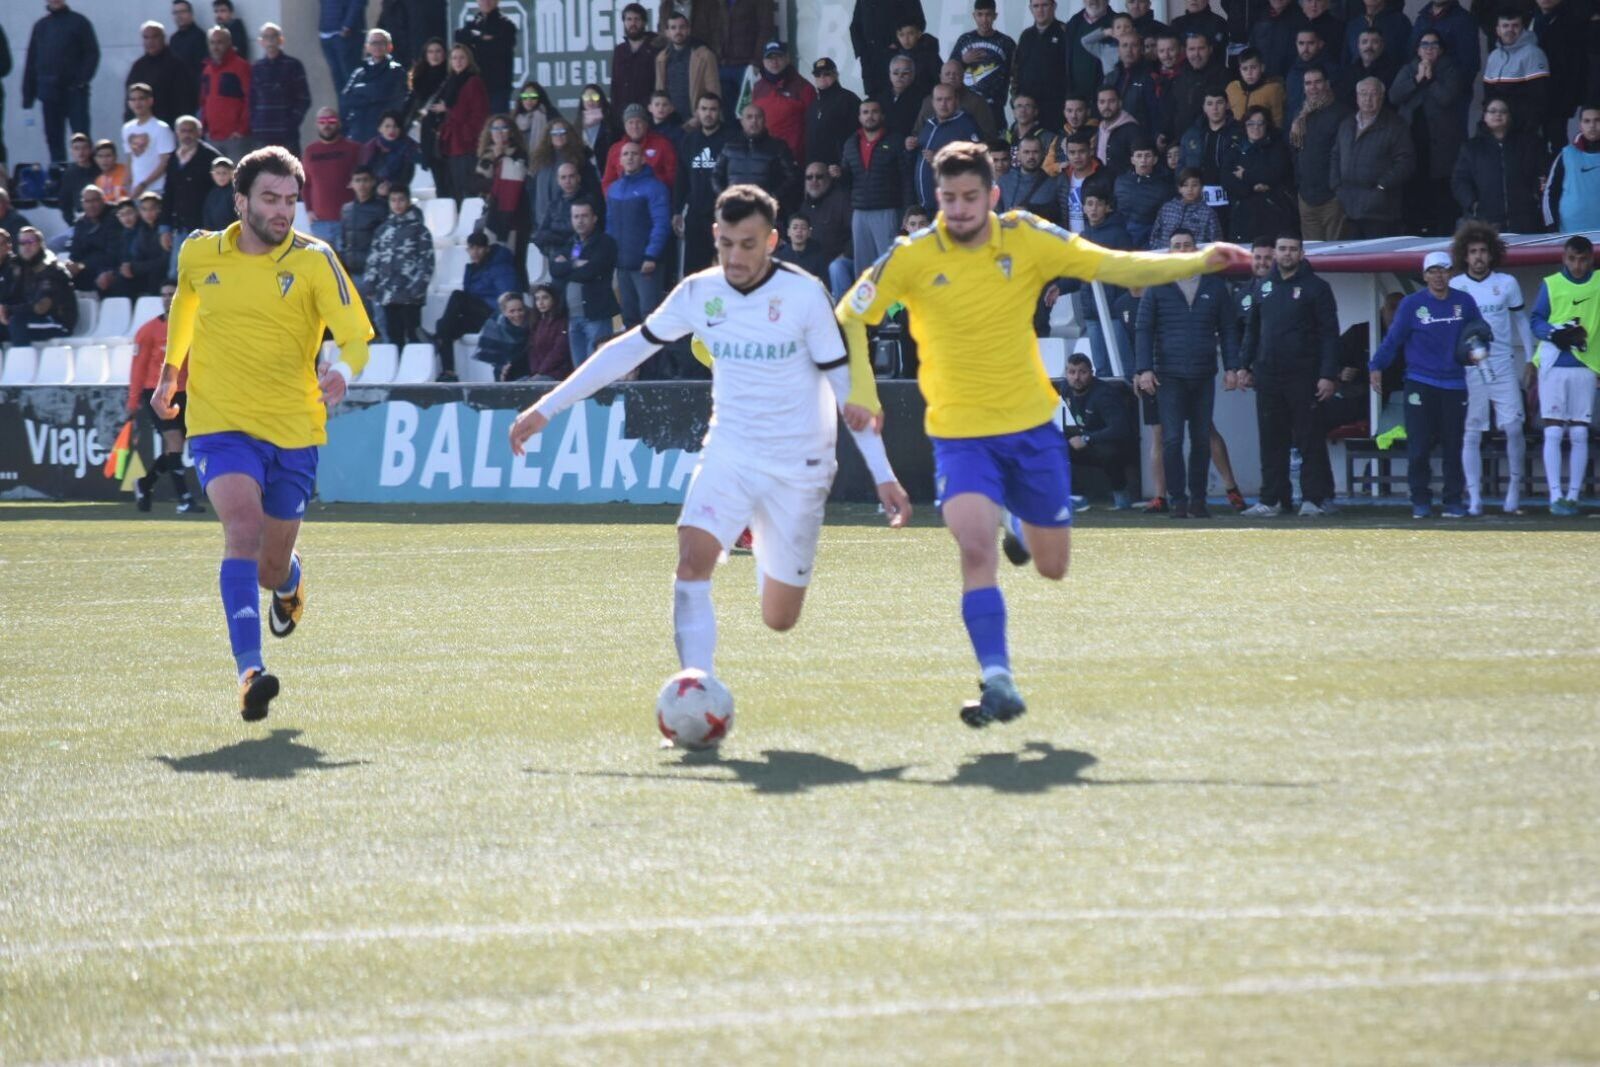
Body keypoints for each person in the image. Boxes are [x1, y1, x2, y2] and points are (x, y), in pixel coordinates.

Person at [836, 140, 1248, 724]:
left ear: (993, 196)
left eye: (970, 197)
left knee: (1053, 566)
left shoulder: (1026, 235)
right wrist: (863, 391)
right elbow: (851, 314)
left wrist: (1197, 260)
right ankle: (997, 678)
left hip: (1031, 427)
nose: (958, 209)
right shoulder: (911, 255)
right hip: (959, 433)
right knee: (974, 547)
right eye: (948, 198)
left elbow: (1112, 264)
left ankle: (1021, 527)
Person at [509, 183, 908, 695]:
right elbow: (629, 348)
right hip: (730, 450)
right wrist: (547, 407)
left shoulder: (805, 295)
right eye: (726, 244)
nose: (735, 256)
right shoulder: (699, 292)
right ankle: (696, 689)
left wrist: (883, 474)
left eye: (749, 244)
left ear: (772, 241)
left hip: (799, 461)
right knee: (691, 561)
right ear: (715, 235)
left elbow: (845, 386)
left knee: (779, 617)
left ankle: (766, 534)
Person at [152, 146, 372, 721]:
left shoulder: (315, 260)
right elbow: (185, 307)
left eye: (291, 200)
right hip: (220, 425)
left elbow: (355, 337)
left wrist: (343, 373)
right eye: (271, 199)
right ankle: (250, 673)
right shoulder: (199, 252)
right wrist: (170, 374)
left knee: (270, 568)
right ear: (241, 201)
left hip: (294, 429)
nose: (283, 211)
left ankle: (290, 580)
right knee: (241, 530)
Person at [1368, 251, 1484, 518]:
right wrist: (1376, 366)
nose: (1438, 276)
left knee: (1453, 446)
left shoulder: (1464, 302)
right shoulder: (1412, 304)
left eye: (1443, 270)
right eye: (1433, 271)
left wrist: (1479, 351)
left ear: (1451, 273)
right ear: (1425, 275)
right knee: (1419, 446)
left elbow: (1479, 332)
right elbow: (1394, 339)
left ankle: (1453, 501)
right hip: (1420, 382)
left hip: (1454, 384)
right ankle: (1420, 500)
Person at [1135, 229, 1241, 519]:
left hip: (1204, 373)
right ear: (1169, 252)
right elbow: (1144, 329)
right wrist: (1144, 369)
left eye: (1187, 245)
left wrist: (1232, 367)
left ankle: (1198, 500)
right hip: (1168, 375)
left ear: (1196, 250)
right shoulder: (1157, 285)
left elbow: (1228, 330)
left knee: (1201, 439)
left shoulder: (1215, 286)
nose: (1182, 249)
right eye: (1177, 246)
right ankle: (1178, 500)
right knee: (1171, 440)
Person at [1240, 233, 1340, 517]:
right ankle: (1272, 499)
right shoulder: (1264, 286)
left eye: (1292, 249)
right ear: (1275, 253)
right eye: (1282, 249)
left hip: (1304, 376)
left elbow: (1330, 335)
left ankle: (1313, 499)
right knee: (1271, 439)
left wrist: (1327, 374)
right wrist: (1244, 366)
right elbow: (1252, 329)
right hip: (1268, 375)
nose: (1286, 254)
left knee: (1309, 439)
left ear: (1301, 253)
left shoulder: (1317, 287)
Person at [1448, 222, 1532, 515]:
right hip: (1471, 367)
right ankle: (1474, 498)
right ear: (1465, 255)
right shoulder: (1456, 286)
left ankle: (1514, 490)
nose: (1478, 257)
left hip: (1502, 364)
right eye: (1473, 252)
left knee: (1514, 428)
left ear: (1492, 253)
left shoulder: (1507, 283)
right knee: (1471, 431)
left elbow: (1521, 321)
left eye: (1483, 251)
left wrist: (1530, 359)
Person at [1528, 235, 1600, 516]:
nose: (1578, 265)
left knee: (1580, 431)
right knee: (1554, 430)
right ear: (1564, 258)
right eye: (1572, 259)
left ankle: (1573, 496)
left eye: (1583, 259)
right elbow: (1536, 320)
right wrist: (1553, 334)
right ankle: (1555, 495)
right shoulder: (1551, 284)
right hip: (1553, 364)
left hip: (1586, 365)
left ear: (1591, 259)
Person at [127, 283, 204, 513]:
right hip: (157, 392)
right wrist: (133, 401)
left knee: (176, 447)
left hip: (187, 392)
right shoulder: (148, 330)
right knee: (175, 441)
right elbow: (138, 368)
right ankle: (185, 500)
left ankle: (145, 483)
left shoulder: (196, 325)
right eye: (164, 295)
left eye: (172, 294)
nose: (168, 298)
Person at [1389, 30, 1467, 236]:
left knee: (1441, 194)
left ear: (1440, 50)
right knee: (1414, 192)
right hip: (1412, 142)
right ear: (1418, 49)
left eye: (1434, 45)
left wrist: (1430, 80)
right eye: (1424, 44)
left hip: (1441, 145)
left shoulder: (1450, 69)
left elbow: (1446, 97)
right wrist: (1417, 79)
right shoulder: (1409, 69)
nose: (1429, 49)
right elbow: (1394, 96)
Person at [1330, 77, 1414, 239]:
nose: (1368, 99)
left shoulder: (1395, 125)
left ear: (1381, 97)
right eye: (1363, 94)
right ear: (1357, 97)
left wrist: (1382, 186)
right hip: (1349, 207)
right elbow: (1335, 155)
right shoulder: (1346, 124)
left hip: (1381, 211)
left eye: (1373, 94)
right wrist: (1336, 185)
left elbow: (1406, 162)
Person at [21, 0, 100, 164]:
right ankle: (59, 175)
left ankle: (87, 173)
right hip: (48, 92)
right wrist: (28, 96)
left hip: (74, 93)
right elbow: (32, 61)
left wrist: (80, 81)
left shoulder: (79, 22)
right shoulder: (41, 26)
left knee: (81, 138)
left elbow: (92, 54)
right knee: (53, 139)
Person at [432, 231, 515, 381]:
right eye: (472, 248)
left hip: (492, 314)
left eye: (479, 248)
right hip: (477, 316)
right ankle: (449, 372)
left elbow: (508, 295)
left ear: (487, 249)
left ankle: (437, 338)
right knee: (444, 328)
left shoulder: (500, 267)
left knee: (457, 297)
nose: (475, 252)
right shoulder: (471, 269)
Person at [606, 141, 672, 331]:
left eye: (634, 154)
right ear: (620, 160)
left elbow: (661, 223)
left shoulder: (655, 187)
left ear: (643, 159)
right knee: (629, 316)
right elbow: (610, 224)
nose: (630, 157)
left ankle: (656, 352)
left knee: (649, 316)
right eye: (625, 154)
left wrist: (651, 255)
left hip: (646, 264)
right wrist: (610, 255)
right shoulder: (614, 189)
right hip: (622, 265)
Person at [1453, 99, 1543, 234]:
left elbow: (1540, 173)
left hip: (1524, 218)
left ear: (1510, 116)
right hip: (1485, 221)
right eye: (1493, 111)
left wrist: (1535, 195)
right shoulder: (1471, 148)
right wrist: (1472, 204)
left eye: (1503, 111)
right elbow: (1460, 180)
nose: (1498, 114)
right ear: (1484, 116)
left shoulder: (1528, 144)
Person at [839, 98, 905, 281]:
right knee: (863, 270)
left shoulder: (895, 141)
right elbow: (847, 181)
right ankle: (866, 301)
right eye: (865, 112)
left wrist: (906, 211)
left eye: (874, 111)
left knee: (889, 266)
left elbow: (906, 178)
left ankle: (892, 302)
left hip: (887, 210)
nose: (870, 116)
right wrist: (838, 174)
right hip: (860, 212)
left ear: (882, 115)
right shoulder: (851, 143)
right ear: (859, 117)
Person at [549, 199, 619, 366]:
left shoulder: (605, 242)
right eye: (576, 216)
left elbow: (591, 271)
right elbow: (554, 270)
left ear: (594, 218)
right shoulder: (569, 243)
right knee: (578, 369)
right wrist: (575, 264)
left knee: (597, 366)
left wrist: (566, 267)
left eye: (584, 216)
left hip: (596, 314)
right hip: (572, 316)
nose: (580, 220)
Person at [1063, 352, 1138, 507]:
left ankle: (1121, 495)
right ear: (1066, 374)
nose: (1076, 377)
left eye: (1082, 372)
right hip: (1088, 438)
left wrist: (1086, 439)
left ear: (1091, 373)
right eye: (1072, 372)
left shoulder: (1103, 394)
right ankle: (1070, 497)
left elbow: (1120, 429)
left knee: (1109, 453)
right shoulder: (1066, 388)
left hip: (1116, 444)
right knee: (1051, 445)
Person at [1290, 66, 1349, 240]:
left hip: (1333, 197)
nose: (1313, 87)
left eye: (1317, 82)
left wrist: (1337, 188)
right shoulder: (1300, 115)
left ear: (1327, 84)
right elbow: (1295, 152)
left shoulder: (1342, 114)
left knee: (1336, 250)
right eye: (1308, 83)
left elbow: (1345, 156)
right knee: (1312, 250)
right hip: (1306, 196)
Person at [677, 93, 732, 276]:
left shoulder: (731, 140)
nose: (708, 114)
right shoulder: (689, 140)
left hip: (722, 214)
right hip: (695, 214)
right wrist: (677, 210)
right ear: (697, 112)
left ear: (720, 112)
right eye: (704, 109)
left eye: (713, 109)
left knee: (725, 269)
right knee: (694, 273)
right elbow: (681, 178)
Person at [1221, 108, 1294, 242]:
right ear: (1244, 125)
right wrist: (1251, 188)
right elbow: (1226, 179)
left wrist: (1245, 174)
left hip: (1272, 211)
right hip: (1241, 212)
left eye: (1260, 123)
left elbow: (1275, 174)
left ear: (1267, 125)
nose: (1256, 128)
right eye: (1251, 123)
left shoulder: (1277, 146)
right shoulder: (1234, 147)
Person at [432, 44, 490, 208]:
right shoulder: (451, 81)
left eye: (462, 58)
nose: (458, 61)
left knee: (467, 189)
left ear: (469, 60)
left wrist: (448, 110)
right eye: (454, 58)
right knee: (455, 189)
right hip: (453, 144)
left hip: (466, 143)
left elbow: (479, 114)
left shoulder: (473, 82)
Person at [715, 105, 800, 213]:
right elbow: (716, 176)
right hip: (734, 208)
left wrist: (772, 197)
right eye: (749, 117)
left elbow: (792, 176)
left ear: (764, 120)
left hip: (765, 210)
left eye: (758, 117)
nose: (754, 121)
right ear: (742, 121)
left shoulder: (778, 147)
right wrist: (725, 196)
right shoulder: (730, 147)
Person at [913, 85, 985, 212]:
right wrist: (910, 148)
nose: (943, 104)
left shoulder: (966, 125)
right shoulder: (929, 125)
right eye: (939, 99)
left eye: (948, 99)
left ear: (956, 100)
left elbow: (977, 162)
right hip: (926, 206)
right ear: (933, 102)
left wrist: (941, 160)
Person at [0, 228, 78, 344]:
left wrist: (8, 309)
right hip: (33, 318)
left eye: (30, 242)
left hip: (56, 322)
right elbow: (14, 298)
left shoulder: (51, 268)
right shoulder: (22, 269)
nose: (26, 246)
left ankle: (23, 356)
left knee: (17, 323)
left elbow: (41, 307)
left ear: (40, 243)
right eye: (22, 243)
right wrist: (4, 309)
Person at [476, 115, 531, 273]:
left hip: (517, 218)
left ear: (511, 132)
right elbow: (477, 183)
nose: (499, 132)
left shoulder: (519, 154)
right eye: (495, 128)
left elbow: (516, 179)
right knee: (494, 263)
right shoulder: (486, 155)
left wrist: (501, 156)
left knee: (516, 265)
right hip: (493, 215)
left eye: (504, 128)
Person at [1482, 12, 1549, 139]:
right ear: (1498, 30)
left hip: (1522, 125)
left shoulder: (1533, 53)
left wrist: (1530, 125)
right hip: (1497, 124)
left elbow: (1538, 96)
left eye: (1515, 26)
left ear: (1522, 29)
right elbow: (1488, 94)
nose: (1510, 30)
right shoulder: (1494, 56)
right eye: (1505, 26)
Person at [301, 108, 361, 247]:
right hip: (320, 223)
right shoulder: (310, 151)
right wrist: (309, 210)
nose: (326, 125)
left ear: (339, 123)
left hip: (349, 221)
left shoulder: (355, 149)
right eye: (322, 121)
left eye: (331, 121)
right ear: (317, 124)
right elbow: (306, 184)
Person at [250, 23, 310, 155]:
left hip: (287, 134)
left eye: (273, 36)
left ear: (281, 40)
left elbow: (304, 98)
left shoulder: (293, 65)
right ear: (260, 42)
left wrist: (291, 122)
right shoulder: (256, 67)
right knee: (264, 168)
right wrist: (255, 123)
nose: (270, 41)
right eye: (266, 37)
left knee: (289, 167)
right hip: (262, 133)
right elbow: (251, 99)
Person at [952, 0, 1015, 121]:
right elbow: (949, 72)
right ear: (974, 16)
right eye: (980, 14)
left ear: (995, 16)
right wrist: (962, 61)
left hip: (995, 108)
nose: (984, 19)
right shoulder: (964, 40)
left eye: (988, 14)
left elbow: (1016, 74)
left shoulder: (1007, 43)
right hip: (965, 107)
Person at [341, 29, 407, 145]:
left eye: (382, 43)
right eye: (374, 43)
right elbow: (346, 99)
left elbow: (384, 93)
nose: (378, 46)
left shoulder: (396, 70)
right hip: (359, 131)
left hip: (385, 132)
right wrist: (372, 95)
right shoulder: (359, 72)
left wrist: (359, 89)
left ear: (390, 47)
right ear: (367, 47)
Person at [128, 21, 199, 126]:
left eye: (154, 37)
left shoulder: (177, 65)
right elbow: (130, 99)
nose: (150, 41)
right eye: (146, 37)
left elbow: (186, 101)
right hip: (142, 127)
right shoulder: (138, 67)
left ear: (163, 38)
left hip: (170, 125)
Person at [851, 0, 924, 100]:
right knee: (874, 98)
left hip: (896, 57)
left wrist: (898, 42)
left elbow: (918, 22)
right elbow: (855, 25)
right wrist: (861, 51)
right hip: (870, 61)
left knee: (901, 97)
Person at [1544, 105, 1600, 233]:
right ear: (1580, 125)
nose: (1592, 125)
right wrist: (1552, 226)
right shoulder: (1566, 155)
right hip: (1571, 231)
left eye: (1597, 120)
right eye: (1587, 121)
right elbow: (1550, 193)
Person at [1014, 0, 1070, 129]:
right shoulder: (1026, 36)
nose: (1040, 10)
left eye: (1045, 5)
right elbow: (1016, 70)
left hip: (1056, 108)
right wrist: (1016, 99)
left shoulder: (1065, 33)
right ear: (1030, 8)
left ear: (1054, 6)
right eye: (1036, 6)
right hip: (1028, 110)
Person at [655, 12, 719, 124]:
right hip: (670, 121)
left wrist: (699, 117)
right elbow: (660, 92)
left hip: (697, 120)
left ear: (688, 30)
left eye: (682, 27)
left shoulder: (705, 56)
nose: (678, 31)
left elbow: (713, 91)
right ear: (667, 32)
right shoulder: (661, 58)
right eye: (673, 28)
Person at [200, 26, 252, 163]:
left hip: (236, 139)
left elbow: (251, 100)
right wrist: (205, 128)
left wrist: (242, 129)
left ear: (229, 43)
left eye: (220, 42)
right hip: (212, 138)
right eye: (212, 42)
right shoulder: (207, 70)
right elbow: (204, 101)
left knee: (238, 174)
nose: (215, 47)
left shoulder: (241, 66)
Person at [455, 0, 517, 113]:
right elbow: (459, 36)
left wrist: (475, 40)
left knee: (497, 120)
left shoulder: (506, 25)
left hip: (498, 87)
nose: (486, 1)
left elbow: (497, 47)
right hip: (475, 84)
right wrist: (481, 38)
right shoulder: (474, 23)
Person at [603, 104, 679, 193]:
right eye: (630, 122)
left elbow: (674, 175)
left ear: (646, 124)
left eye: (639, 122)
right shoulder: (615, 149)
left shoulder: (662, 144)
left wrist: (649, 183)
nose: (635, 126)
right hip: (624, 198)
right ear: (625, 126)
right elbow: (608, 182)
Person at [123, 85, 178, 198]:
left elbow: (165, 162)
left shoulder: (161, 128)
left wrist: (144, 184)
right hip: (136, 190)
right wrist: (127, 182)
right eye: (133, 99)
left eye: (141, 98)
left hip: (158, 189)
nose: (137, 103)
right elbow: (130, 158)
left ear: (150, 101)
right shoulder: (127, 128)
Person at [1115, 141, 1172, 248]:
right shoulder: (1121, 182)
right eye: (1139, 156)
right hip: (1120, 234)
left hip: (1148, 239)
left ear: (1155, 160)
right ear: (1132, 160)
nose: (1143, 160)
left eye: (1147, 156)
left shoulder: (1163, 187)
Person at [66, 186, 121, 293]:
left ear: (103, 200)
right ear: (82, 204)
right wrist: (70, 265)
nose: (91, 205)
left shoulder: (114, 218)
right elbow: (75, 254)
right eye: (87, 201)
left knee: (105, 279)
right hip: (86, 269)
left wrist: (81, 265)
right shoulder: (80, 223)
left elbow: (112, 256)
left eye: (95, 200)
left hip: (111, 268)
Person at [1148, 167, 1218, 248]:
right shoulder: (1167, 209)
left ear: (1202, 188)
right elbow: (1154, 236)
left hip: (1195, 255)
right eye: (1185, 185)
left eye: (1194, 185)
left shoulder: (1209, 214)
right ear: (1179, 188)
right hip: (1166, 254)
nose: (1190, 189)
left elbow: (1215, 243)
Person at [473, 290, 531, 380]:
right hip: (503, 369)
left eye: (520, 310)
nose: (517, 314)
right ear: (504, 312)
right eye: (512, 311)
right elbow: (495, 358)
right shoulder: (496, 325)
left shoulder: (533, 322)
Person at [319, 0, 365, 107]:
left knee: (351, 81)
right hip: (326, 32)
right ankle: (344, 115)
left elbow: (358, 2)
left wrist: (347, 25)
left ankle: (354, 114)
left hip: (346, 35)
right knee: (339, 84)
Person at [362, 111, 418, 197]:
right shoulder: (370, 148)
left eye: (395, 126)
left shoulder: (408, 147)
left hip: (399, 194)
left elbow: (407, 175)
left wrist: (391, 186)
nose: (391, 130)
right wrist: (377, 188)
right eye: (387, 126)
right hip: (372, 193)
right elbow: (364, 174)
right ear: (379, 128)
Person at [170, 0, 210, 87]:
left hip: (193, 88)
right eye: (176, 13)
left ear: (191, 14)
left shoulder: (200, 37)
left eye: (182, 12)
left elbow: (202, 68)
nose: (179, 16)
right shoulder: (173, 39)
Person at [511, 80, 560, 151]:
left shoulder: (549, 113)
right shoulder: (515, 117)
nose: (529, 100)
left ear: (540, 97)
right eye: (525, 96)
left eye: (533, 96)